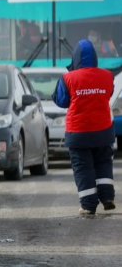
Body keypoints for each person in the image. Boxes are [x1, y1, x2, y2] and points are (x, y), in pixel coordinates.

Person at [52, 39, 116, 215]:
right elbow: (108, 93)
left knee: (83, 167)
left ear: (75, 58)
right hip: (103, 130)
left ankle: (88, 205)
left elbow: (61, 101)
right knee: (103, 162)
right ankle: (107, 197)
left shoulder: (68, 78)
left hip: (78, 132)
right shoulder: (107, 75)